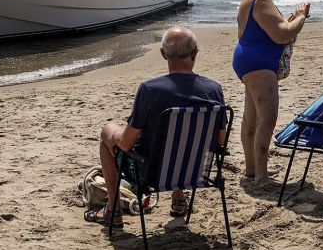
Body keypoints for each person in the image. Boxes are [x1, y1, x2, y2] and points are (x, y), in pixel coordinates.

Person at [88, 27, 225, 226]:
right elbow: (221, 141)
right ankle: (178, 198)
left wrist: (112, 133)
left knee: (107, 134)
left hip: (151, 174)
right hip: (197, 171)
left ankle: (113, 210)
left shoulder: (150, 90)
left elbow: (126, 144)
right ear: (195, 52)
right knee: (183, 139)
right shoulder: (213, 89)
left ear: (163, 54)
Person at [232, 0, 310, 183]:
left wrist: (291, 19)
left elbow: (271, 29)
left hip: (248, 61)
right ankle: (261, 175)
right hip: (259, 65)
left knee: (251, 118)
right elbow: (282, 34)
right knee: (267, 118)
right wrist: (301, 17)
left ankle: (252, 169)